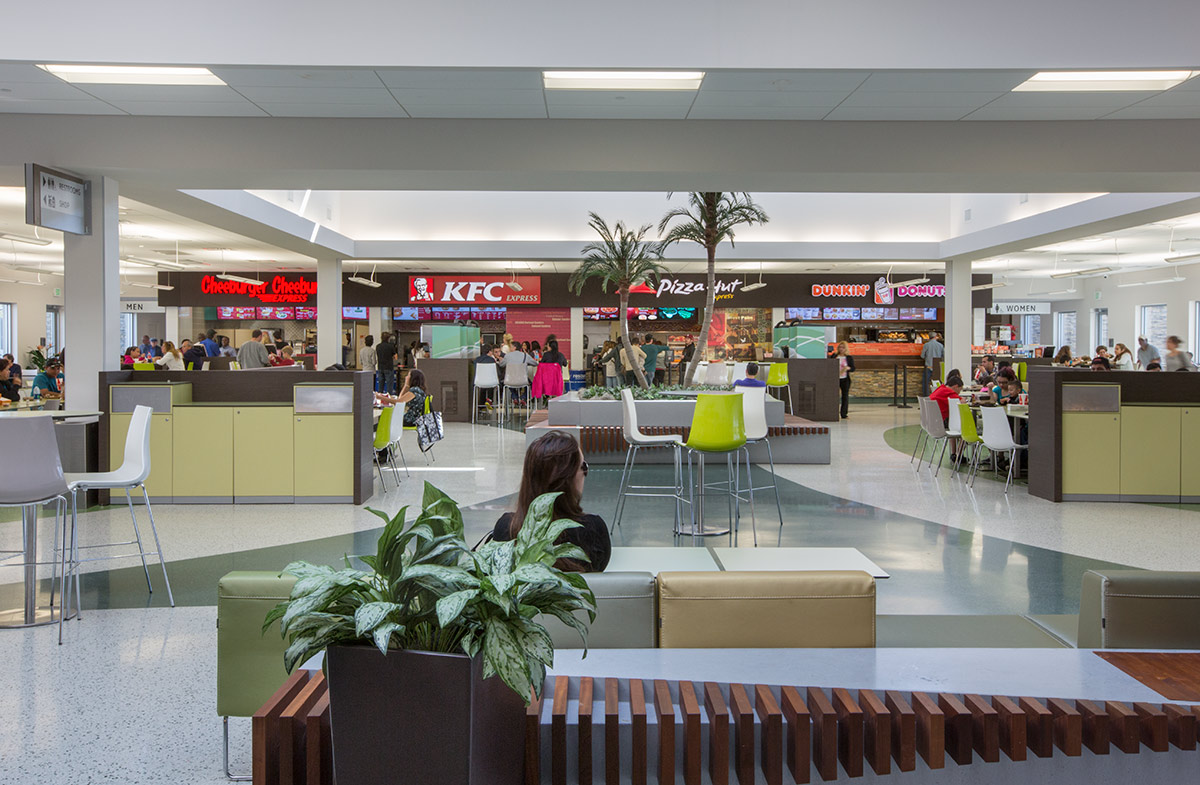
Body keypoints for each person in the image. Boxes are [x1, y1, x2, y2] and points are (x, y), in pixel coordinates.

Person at [490, 430, 610, 572]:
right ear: (568, 480)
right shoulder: (593, 530)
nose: (585, 473)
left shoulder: (506, 528)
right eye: (583, 467)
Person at [929, 374, 962, 460]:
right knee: (965, 429)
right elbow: (960, 401)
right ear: (955, 386)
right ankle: (958, 455)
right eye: (959, 390)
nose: (959, 392)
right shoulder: (949, 392)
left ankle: (954, 453)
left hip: (933, 421)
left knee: (953, 424)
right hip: (941, 423)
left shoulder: (941, 388)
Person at [832, 341, 856, 419]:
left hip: (845, 379)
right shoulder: (834, 356)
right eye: (840, 347)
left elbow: (853, 368)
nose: (841, 349)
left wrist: (848, 368)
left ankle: (844, 414)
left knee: (845, 396)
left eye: (843, 347)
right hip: (835, 378)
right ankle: (833, 413)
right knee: (834, 396)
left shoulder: (848, 357)